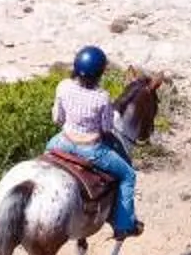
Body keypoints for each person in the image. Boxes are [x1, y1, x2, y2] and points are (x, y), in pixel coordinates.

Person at [51, 45, 143, 238]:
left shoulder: (63, 86)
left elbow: (57, 119)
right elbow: (107, 128)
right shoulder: (102, 97)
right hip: (91, 150)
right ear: (99, 73)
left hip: (61, 142)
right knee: (128, 175)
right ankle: (124, 224)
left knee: (45, 158)